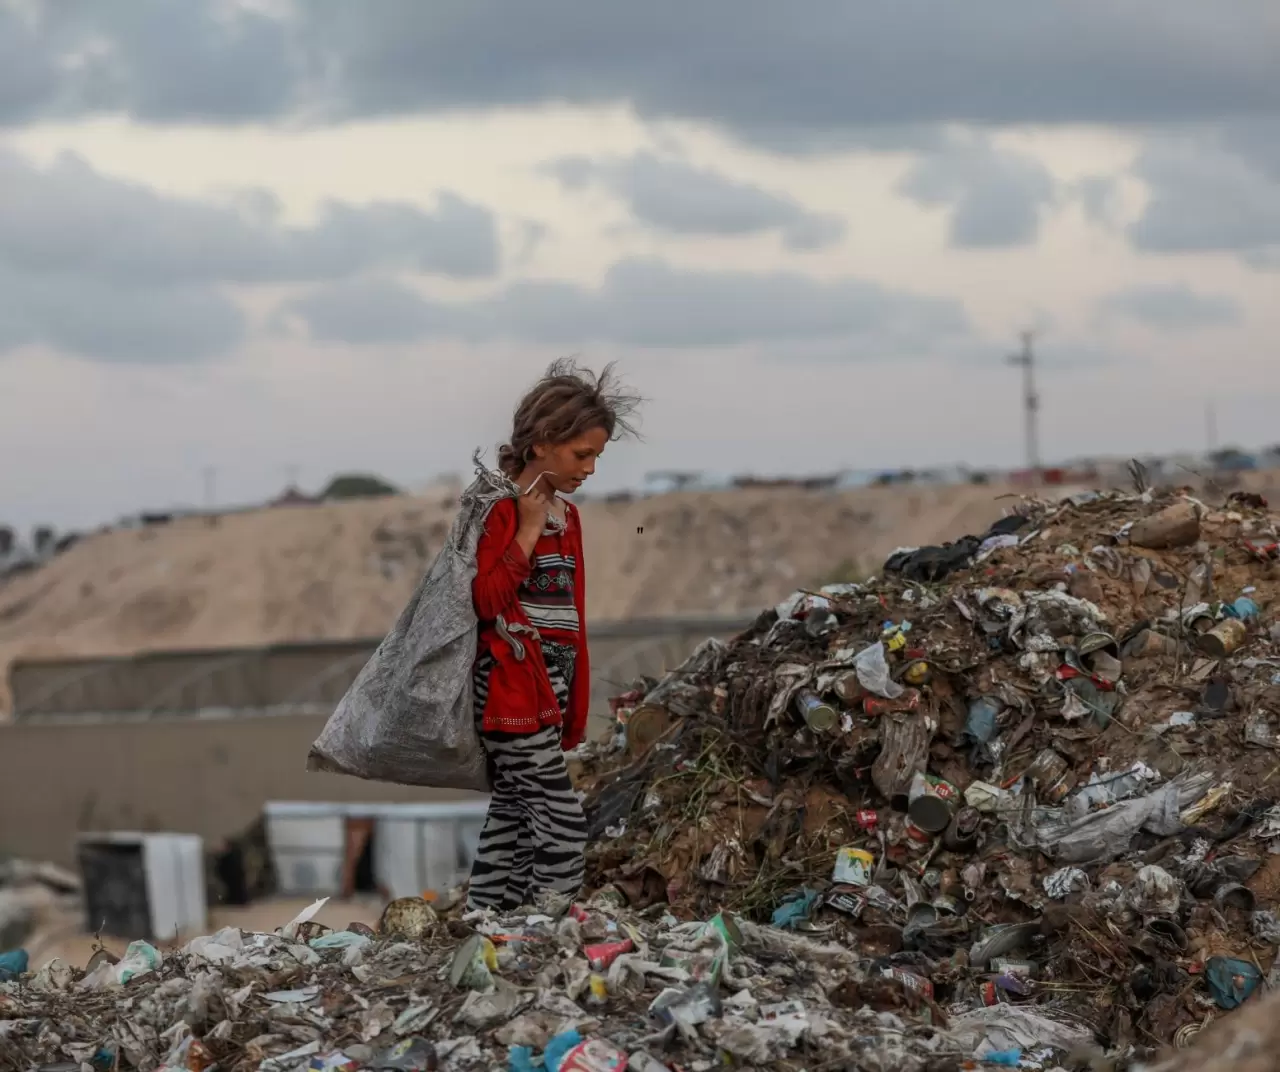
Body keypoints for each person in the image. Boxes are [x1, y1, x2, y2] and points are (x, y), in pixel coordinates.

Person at [466, 359, 641, 912]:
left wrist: (572, 702)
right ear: (541, 442)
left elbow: (572, 620)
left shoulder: (569, 517)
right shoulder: (496, 507)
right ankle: (550, 922)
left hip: (550, 686)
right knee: (562, 819)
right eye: (581, 455)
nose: (589, 469)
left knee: (515, 812)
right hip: (509, 685)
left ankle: (490, 917)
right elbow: (486, 601)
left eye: (596, 457)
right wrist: (527, 528)